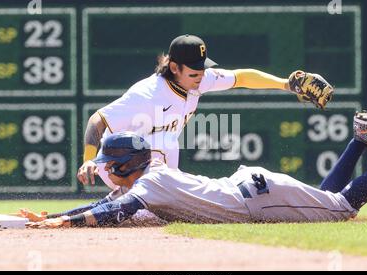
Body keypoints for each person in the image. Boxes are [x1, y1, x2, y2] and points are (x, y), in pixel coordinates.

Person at [22, 108, 367, 228]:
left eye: (109, 164)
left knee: (342, 209)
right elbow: (106, 204)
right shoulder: (145, 178)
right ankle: (361, 137)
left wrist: (64, 225)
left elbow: (115, 212)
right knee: (328, 200)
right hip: (253, 191)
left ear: (125, 164)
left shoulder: (150, 182)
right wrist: (53, 215)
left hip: (255, 200)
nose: (105, 170)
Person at [77, 34, 333, 200]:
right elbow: (97, 120)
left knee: (167, 147)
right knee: (166, 144)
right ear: (174, 67)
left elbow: (242, 77)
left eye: (202, 68)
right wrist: (88, 160)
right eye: (194, 71)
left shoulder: (196, 81)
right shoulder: (146, 95)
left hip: (147, 160)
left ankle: (142, 202)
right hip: (114, 164)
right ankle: (140, 200)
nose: (201, 75)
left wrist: (286, 84)